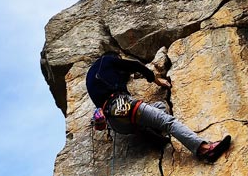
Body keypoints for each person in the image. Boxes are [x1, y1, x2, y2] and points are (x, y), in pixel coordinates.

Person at [86, 52, 231, 162]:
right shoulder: (106, 60)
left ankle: (146, 130)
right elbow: (136, 65)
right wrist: (157, 81)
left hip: (117, 124)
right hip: (125, 107)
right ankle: (204, 149)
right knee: (168, 122)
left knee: (159, 106)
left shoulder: (91, 80)